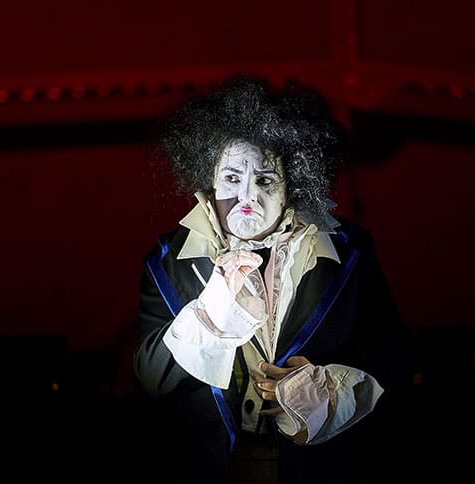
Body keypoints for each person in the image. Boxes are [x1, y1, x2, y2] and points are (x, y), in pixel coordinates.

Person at [132, 75, 413, 484]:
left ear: (292, 185)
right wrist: (210, 313)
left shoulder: (348, 250)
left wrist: (328, 391)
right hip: (210, 469)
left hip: (320, 471)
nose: (247, 196)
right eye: (232, 178)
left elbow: (394, 356)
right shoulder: (167, 259)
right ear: (210, 180)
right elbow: (150, 376)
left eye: (264, 180)